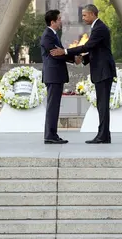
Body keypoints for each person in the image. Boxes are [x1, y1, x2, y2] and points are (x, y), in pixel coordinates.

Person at [50, 4, 116, 144]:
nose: (83, 18)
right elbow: (95, 50)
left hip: (103, 71)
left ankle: (103, 136)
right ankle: (104, 135)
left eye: (85, 15)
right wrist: (83, 59)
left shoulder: (99, 28)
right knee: (101, 104)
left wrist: (66, 52)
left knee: (102, 105)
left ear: (92, 14)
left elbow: (88, 46)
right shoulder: (97, 28)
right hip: (101, 71)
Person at [40, 10, 81, 144]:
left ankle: (53, 134)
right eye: (59, 19)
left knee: (55, 105)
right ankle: (50, 135)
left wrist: (72, 58)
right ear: (52, 22)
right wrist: (73, 58)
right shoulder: (48, 36)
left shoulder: (53, 35)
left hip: (56, 75)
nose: (61, 21)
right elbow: (56, 54)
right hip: (53, 76)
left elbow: (61, 52)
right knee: (53, 106)